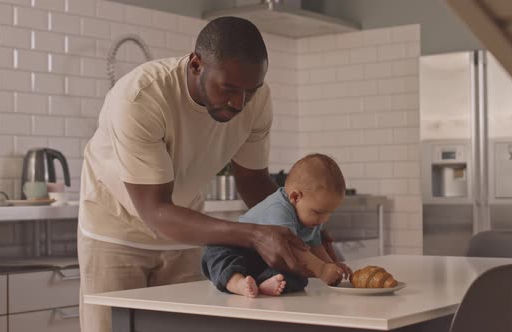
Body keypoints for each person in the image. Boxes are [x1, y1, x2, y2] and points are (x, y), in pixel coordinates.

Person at [78, 17, 333, 332]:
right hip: (116, 233)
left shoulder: (257, 99)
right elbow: (155, 210)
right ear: (197, 64)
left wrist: (300, 228)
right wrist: (256, 234)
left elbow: (252, 180)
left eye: (249, 91)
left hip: (186, 231)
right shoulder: (141, 97)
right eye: (228, 88)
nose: (239, 103)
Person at [202, 154, 353, 297]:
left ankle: (262, 285)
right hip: (241, 251)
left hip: (266, 263)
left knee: (297, 275)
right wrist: (321, 270)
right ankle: (238, 283)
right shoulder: (278, 208)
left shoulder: (312, 220)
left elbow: (316, 248)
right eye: (319, 212)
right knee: (216, 251)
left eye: (329, 213)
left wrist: (332, 266)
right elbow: (290, 248)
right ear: (295, 197)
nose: (324, 219)